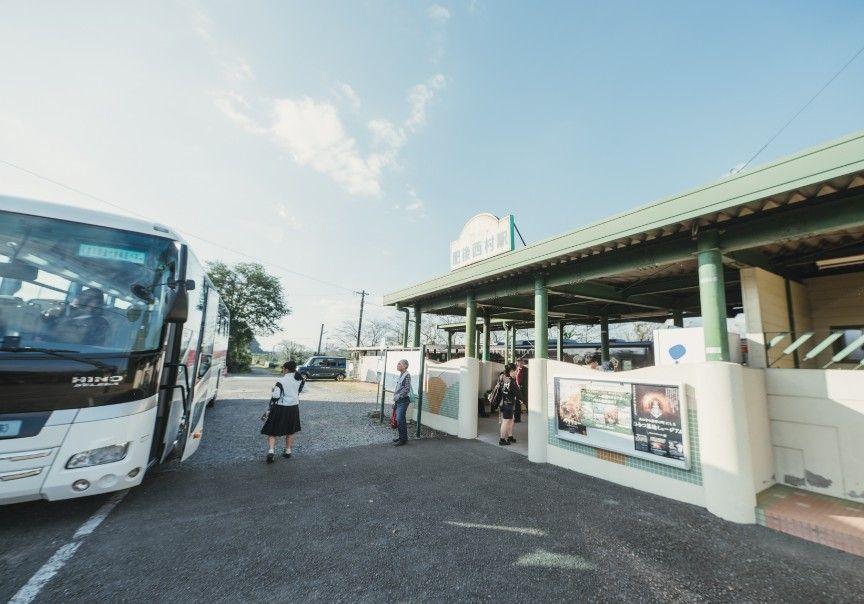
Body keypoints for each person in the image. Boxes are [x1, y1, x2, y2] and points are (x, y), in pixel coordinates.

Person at [261, 360, 305, 463]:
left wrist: (273, 390)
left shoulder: (281, 381)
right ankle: (288, 451)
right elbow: (305, 390)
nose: (283, 370)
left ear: (286, 369)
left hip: (280, 408)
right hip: (293, 408)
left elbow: (276, 395)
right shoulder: (299, 379)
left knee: (272, 431)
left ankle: (271, 451)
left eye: (283, 369)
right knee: (290, 430)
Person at [42, 288, 110, 346]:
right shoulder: (63, 311)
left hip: (77, 353)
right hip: (48, 347)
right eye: (82, 297)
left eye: (93, 301)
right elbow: (46, 326)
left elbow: (96, 345)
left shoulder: (100, 322)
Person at [493, 363, 524, 446]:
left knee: (511, 419)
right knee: (506, 421)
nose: (517, 372)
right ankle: (502, 439)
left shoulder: (502, 377)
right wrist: (524, 400)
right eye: (516, 371)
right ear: (511, 371)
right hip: (508, 404)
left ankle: (510, 436)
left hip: (503, 403)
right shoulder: (511, 381)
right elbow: (518, 393)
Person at [392, 359, 411, 447]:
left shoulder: (407, 375)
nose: (397, 365)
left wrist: (399, 396)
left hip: (403, 400)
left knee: (400, 419)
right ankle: (402, 438)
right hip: (399, 400)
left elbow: (407, 389)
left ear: (404, 366)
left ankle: (403, 440)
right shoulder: (401, 374)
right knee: (400, 419)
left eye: (399, 364)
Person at [514, 358, 528, 423]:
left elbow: (527, 380)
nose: (519, 363)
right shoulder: (516, 369)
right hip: (517, 389)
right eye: (518, 362)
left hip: (524, 389)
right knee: (517, 404)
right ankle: (517, 419)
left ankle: (531, 417)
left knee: (527, 403)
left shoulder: (526, 370)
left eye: (521, 362)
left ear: (523, 363)